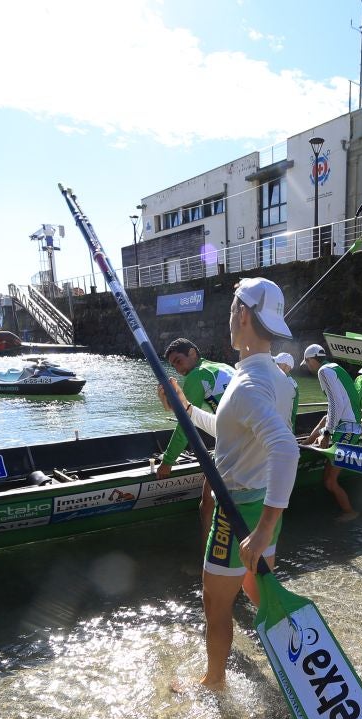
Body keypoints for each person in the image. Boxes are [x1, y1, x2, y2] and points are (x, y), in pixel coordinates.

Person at [158, 277, 298, 690]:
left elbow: (286, 450)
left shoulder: (250, 383)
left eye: (231, 311)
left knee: (215, 607)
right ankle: (293, 664)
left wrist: (262, 530)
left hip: (238, 513)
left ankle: (214, 680)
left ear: (241, 314)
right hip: (265, 505)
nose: (229, 319)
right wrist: (185, 409)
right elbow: (229, 430)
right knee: (260, 595)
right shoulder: (278, 379)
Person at [158, 337, 235, 542]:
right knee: (211, 502)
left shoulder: (196, 375)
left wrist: (167, 462)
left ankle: (207, 561)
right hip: (244, 435)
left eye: (178, 361)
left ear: (192, 353)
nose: (177, 368)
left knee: (207, 505)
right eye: (173, 365)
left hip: (235, 443)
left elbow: (186, 425)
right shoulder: (222, 367)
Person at [300, 343, 361, 522]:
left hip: (348, 429)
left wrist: (326, 434)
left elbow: (336, 405)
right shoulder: (335, 368)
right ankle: (304, 445)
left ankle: (350, 512)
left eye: (308, 363)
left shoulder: (323, 372)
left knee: (329, 481)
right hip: (347, 425)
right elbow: (333, 407)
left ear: (311, 360)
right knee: (328, 479)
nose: (308, 367)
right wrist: (313, 437)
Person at [273, 351, 299, 430]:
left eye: (278, 364)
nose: (275, 365)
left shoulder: (289, 385)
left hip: (285, 430)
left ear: (287, 367)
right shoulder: (281, 380)